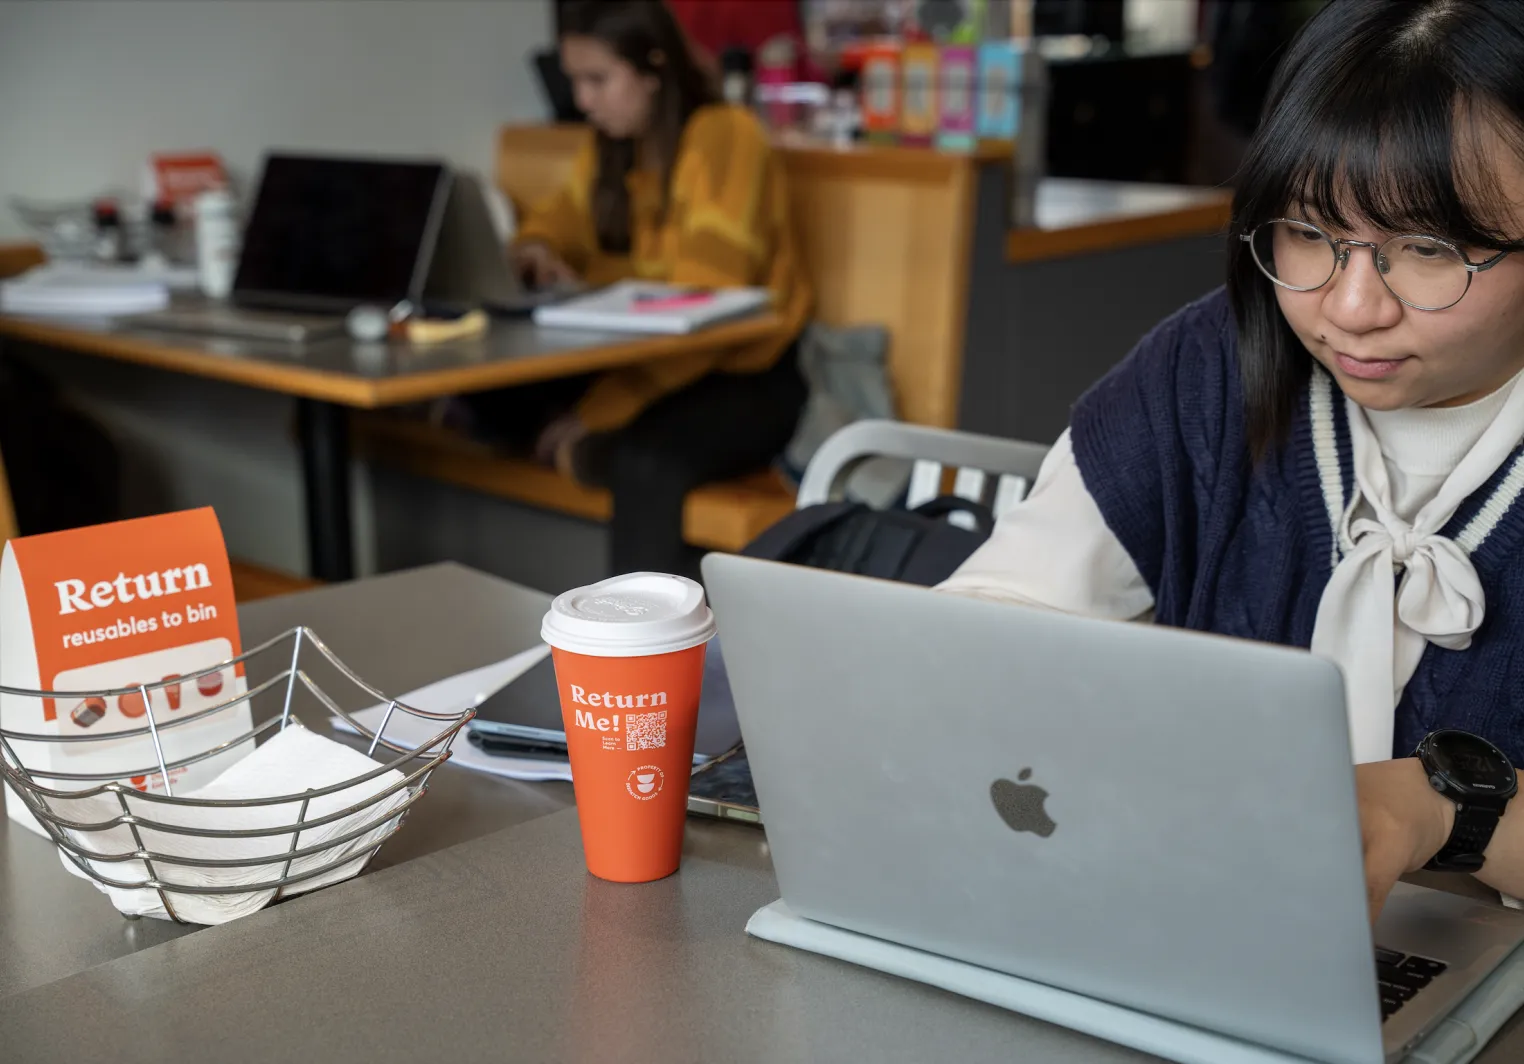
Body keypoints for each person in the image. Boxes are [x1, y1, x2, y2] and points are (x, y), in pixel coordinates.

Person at [938, 0, 1524, 923]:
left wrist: (1438, 809)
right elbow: (989, 622)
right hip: (1214, 924)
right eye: (1308, 233)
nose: (1352, 306)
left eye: (1429, 248)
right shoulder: (1213, 366)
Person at [468, 0, 811, 579]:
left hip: (740, 371)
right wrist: (537, 249)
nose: (583, 101)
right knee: (486, 396)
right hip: (643, 365)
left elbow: (709, 315)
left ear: (653, 68)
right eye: (575, 80)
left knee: (645, 461)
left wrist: (606, 409)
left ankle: (636, 647)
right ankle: (579, 451)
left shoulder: (724, 137)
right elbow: (558, 220)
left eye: (598, 80)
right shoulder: (611, 146)